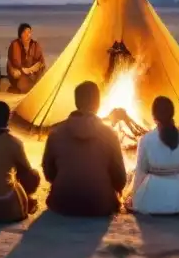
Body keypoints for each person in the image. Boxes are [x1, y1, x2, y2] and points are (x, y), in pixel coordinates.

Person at [42, 81, 127, 217]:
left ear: (76, 102)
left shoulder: (56, 132)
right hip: (100, 206)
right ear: (98, 104)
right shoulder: (110, 134)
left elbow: (49, 173)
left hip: (62, 203)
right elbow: (120, 179)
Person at [125, 96, 179, 215]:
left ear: (154, 117)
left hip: (153, 199)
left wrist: (134, 196)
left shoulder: (146, 140)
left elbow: (140, 172)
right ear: (172, 114)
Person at [7, 23, 47, 93]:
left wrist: (33, 69)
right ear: (20, 35)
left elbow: (41, 61)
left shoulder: (35, 44)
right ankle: (16, 87)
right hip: (19, 73)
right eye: (25, 33)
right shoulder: (15, 44)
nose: (28, 35)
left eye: (29, 33)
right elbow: (16, 62)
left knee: (43, 71)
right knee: (17, 74)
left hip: (32, 73)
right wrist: (28, 70)